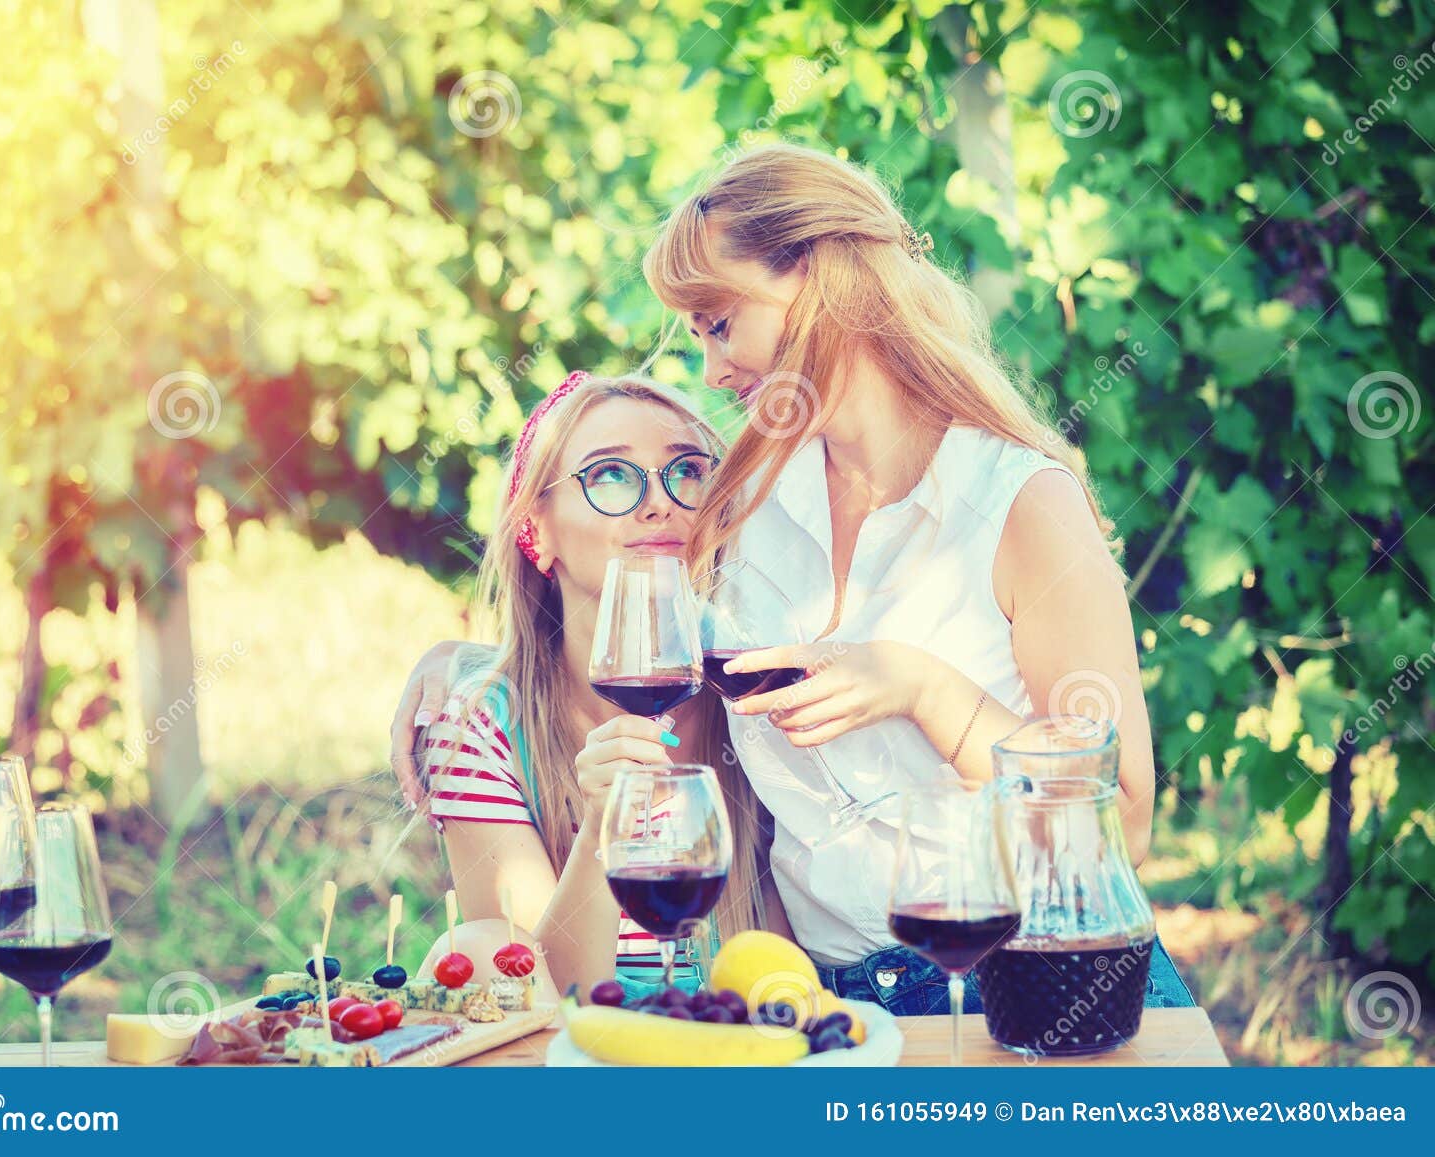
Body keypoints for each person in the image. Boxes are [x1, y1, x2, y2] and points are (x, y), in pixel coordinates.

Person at [397, 143, 1194, 1015]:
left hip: (1033, 981)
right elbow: (623, 617)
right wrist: (453, 660)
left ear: (817, 281)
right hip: (830, 1007)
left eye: (719, 322)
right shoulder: (746, 506)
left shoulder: (1020, 503)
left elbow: (1125, 824)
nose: (710, 370)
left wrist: (925, 690)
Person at [411, 370, 786, 1001]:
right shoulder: (482, 724)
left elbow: (777, 971)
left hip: (734, 1040)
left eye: (688, 471)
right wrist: (599, 827)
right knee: (476, 949)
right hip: (575, 1054)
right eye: (610, 474)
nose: (659, 503)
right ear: (536, 527)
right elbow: (539, 989)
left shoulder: (754, 693)